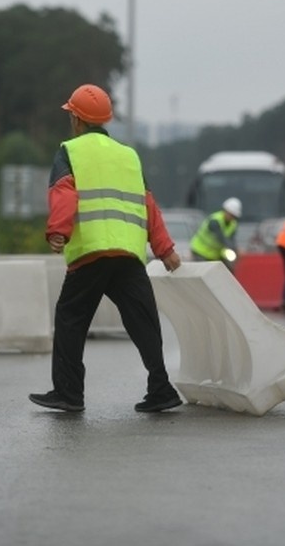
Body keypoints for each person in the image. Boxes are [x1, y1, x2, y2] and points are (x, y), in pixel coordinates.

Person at [29, 83, 183, 413]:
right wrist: (165, 249)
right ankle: (161, 388)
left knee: (70, 318)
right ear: (106, 120)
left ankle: (69, 393)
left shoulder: (69, 151)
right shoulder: (129, 156)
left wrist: (58, 231)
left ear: (76, 120)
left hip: (91, 252)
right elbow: (148, 204)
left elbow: (63, 192)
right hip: (128, 254)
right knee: (143, 320)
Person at [189, 196, 241, 267]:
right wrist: (233, 248)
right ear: (225, 211)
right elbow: (221, 238)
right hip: (200, 251)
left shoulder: (233, 224)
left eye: (233, 216)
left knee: (227, 269)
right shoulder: (215, 221)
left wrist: (235, 249)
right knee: (203, 271)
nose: (232, 217)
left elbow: (232, 239)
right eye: (230, 214)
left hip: (215, 254)